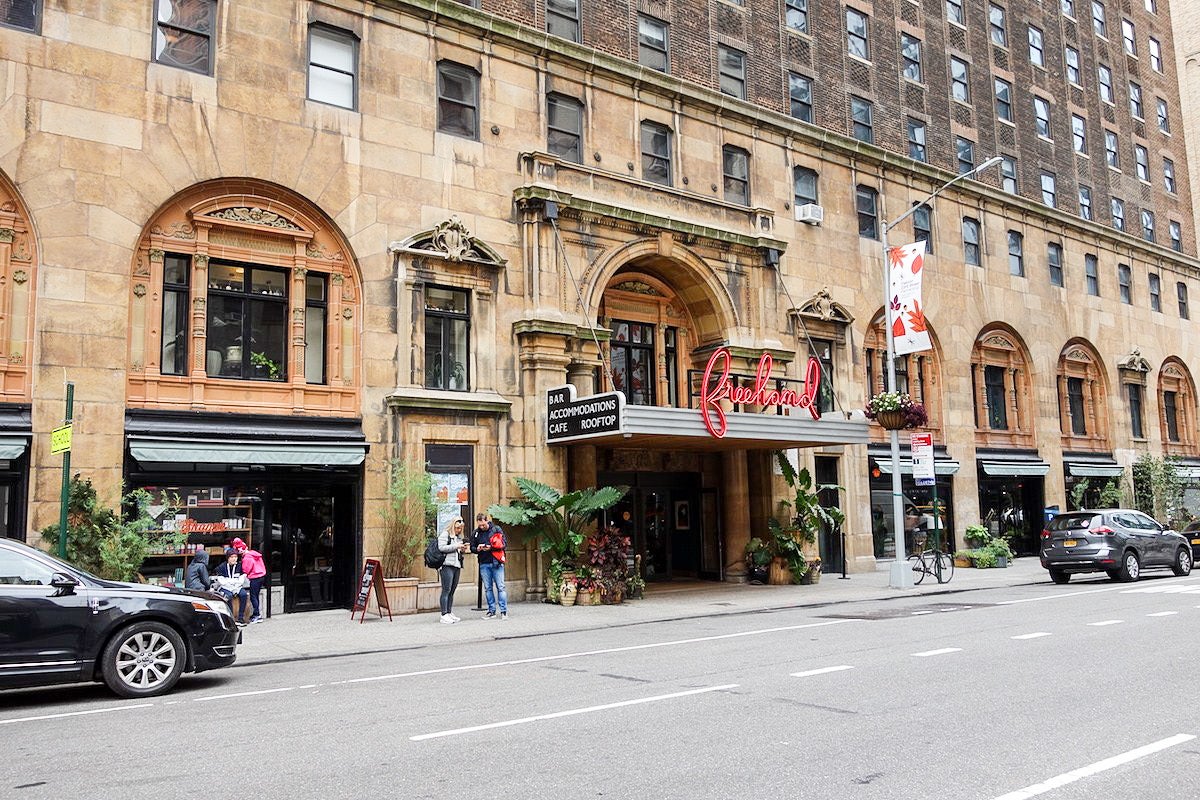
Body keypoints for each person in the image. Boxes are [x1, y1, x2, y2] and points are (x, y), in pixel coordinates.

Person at [472, 512, 508, 620]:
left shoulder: (496, 529)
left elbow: (504, 544)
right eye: (480, 525)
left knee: (500, 587)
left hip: (496, 562)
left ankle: (503, 611)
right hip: (483, 563)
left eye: (483, 525)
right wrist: (477, 549)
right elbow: (472, 547)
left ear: (487, 521)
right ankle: (492, 611)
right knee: (488, 588)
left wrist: (490, 548)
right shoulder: (476, 533)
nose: (482, 527)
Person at [437, 518, 470, 624]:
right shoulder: (445, 534)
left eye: (460, 528)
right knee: (446, 590)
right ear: (452, 526)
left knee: (452, 590)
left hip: (456, 565)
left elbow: (456, 551)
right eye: (457, 528)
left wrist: (462, 549)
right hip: (446, 565)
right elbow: (441, 547)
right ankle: (443, 614)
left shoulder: (458, 537)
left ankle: (449, 612)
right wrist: (456, 546)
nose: (459, 530)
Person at [232, 537, 267, 623]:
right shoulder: (254, 554)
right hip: (261, 576)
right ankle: (256, 614)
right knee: (256, 596)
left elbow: (246, 570)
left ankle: (257, 615)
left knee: (253, 597)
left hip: (255, 578)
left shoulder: (247, 558)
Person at [213, 549, 250, 624]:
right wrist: (231, 583)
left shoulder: (239, 566)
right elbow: (222, 581)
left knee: (243, 594)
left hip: (237, 586)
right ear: (228, 558)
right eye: (232, 557)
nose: (234, 559)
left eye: (235, 557)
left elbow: (241, 578)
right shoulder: (222, 567)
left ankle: (240, 618)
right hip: (225, 587)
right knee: (228, 596)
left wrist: (235, 585)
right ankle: (230, 618)